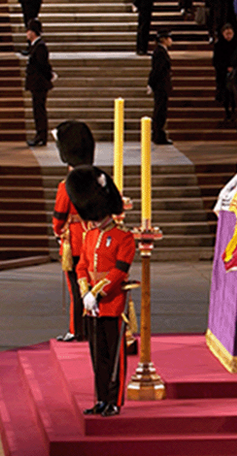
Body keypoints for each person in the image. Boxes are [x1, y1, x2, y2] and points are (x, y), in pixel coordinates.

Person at [68, 165, 135, 418]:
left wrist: (97, 293)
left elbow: (119, 271)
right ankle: (100, 399)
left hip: (112, 303)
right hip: (92, 306)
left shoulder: (123, 237)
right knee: (97, 357)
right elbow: (82, 266)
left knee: (114, 357)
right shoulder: (90, 235)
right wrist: (85, 293)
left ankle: (114, 401)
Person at [52, 121, 95, 343]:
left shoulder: (66, 185)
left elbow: (58, 219)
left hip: (75, 242)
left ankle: (76, 329)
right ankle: (91, 326)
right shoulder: (97, 180)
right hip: (95, 238)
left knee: (76, 288)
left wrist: (59, 232)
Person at [24, 19, 52, 147]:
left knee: (39, 110)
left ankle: (41, 136)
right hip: (36, 84)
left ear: (33, 32)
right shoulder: (35, 46)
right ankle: (39, 135)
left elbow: (43, 66)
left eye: (28, 31)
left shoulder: (40, 47)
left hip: (39, 84)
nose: (26, 33)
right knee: (37, 110)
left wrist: (49, 76)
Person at [148, 29, 174, 144]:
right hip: (160, 86)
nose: (171, 40)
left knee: (161, 111)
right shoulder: (159, 52)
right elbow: (157, 70)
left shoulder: (161, 51)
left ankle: (159, 134)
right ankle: (158, 135)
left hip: (162, 85)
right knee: (160, 111)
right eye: (169, 38)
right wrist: (151, 83)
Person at [212, 24, 237, 120]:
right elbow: (215, 61)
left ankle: (234, 111)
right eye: (227, 34)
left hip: (235, 73)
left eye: (230, 33)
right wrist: (225, 67)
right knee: (225, 94)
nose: (229, 36)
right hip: (223, 73)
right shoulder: (218, 45)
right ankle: (227, 112)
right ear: (223, 34)